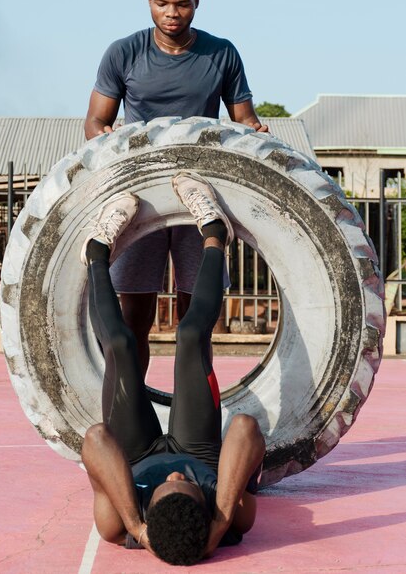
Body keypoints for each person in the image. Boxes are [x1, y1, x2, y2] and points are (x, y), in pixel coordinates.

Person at [84, 0, 269, 376]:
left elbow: (244, 120)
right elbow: (94, 123)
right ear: (149, 2)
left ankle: (194, 420)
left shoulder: (221, 52)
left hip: (198, 195)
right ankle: (135, 414)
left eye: (182, 4)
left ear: (196, 3)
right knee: (133, 322)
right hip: (142, 196)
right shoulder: (124, 52)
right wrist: (109, 141)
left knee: (196, 324)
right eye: (163, 3)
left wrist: (255, 129)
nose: (172, 13)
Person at [80, 172, 266, 565]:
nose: (176, 477)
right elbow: (246, 429)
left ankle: (96, 254)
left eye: (165, 487)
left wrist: (134, 522)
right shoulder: (233, 519)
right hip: (198, 447)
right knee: (190, 336)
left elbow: (96, 439)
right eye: (188, 488)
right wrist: (220, 519)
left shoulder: (119, 524)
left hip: (135, 453)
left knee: (120, 344)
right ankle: (216, 236)